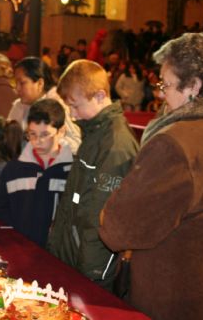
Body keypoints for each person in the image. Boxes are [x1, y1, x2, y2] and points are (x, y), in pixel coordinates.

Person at [98, 32, 203, 320]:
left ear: (194, 87)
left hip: (176, 299)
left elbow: (117, 229)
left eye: (166, 83)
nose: (160, 93)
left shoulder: (175, 143)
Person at [46, 60, 138, 290]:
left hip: (90, 267)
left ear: (99, 96)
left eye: (75, 106)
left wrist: (92, 275)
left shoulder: (115, 144)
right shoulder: (94, 132)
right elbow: (76, 198)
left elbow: (99, 217)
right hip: (73, 253)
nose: (73, 115)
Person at [0, 99, 73, 247]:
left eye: (45, 134)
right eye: (32, 134)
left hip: (57, 254)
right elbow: (1, 209)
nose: (37, 141)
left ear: (61, 131)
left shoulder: (73, 171)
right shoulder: (13, 169)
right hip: (19, 248)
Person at [8, 56, 82, 153]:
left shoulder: (57, 106)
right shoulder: (19, 105)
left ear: (40, 83)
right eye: (15, 83)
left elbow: (76, 145)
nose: (17, 88)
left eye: (22, 83)